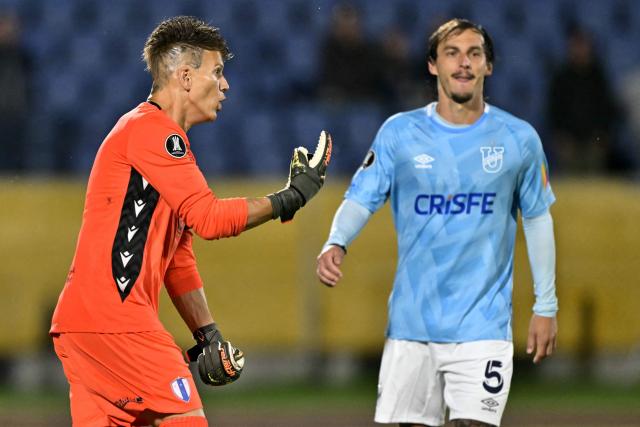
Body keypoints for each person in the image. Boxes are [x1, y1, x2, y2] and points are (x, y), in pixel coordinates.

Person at [50, 16, 332, 427]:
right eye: (217, 72)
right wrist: (287, 199)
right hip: (115, 323)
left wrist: (207, 333)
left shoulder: (153, 138)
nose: (225, 85)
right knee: (186, 418)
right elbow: (211, 219)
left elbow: (178, 260)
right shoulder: (154, 134)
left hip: (86, 326)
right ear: (185, 76)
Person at [317, 18, 557, 427]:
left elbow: (536, 219)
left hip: (484, 327)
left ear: (488, 67)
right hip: (412, 327)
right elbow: (361, 196)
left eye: (474, 54)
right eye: (452, 53)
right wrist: (336, 241)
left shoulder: (519, 139)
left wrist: (545, 305)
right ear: (433, 66)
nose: (463, 63)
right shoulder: (400, 133)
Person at [546, 26, 619, 174]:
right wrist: (560, 137)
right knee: (570, 181)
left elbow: (607, 109)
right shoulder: (561, 77)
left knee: (594, 179)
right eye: (576, 46)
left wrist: (602, 136)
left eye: (583, 45)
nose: (579, 50)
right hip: (568, 142)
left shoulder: (598, 76)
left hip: (594, 141)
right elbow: (554, 109)